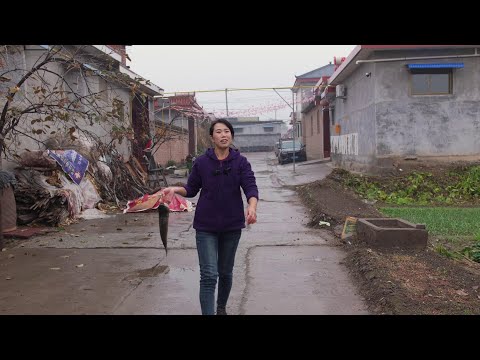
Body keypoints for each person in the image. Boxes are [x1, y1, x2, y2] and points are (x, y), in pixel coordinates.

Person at [162, 118, 258, 315]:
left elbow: (250, 187)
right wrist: (175, 189)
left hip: (232, 226)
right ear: (212, 137)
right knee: (208, 275)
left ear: (231, 135)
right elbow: (191, 189)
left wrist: (252, 207)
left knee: (225, 273)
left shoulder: (240, 162)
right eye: (219, 132)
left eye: (227, 131)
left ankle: (221, 307)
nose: (224, 135)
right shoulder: (202, 162)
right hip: (206, 226)